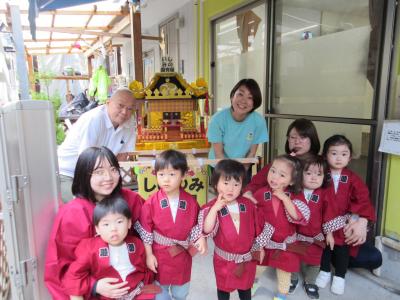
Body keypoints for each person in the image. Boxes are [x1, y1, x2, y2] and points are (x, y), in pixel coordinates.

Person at [45, 146, 144, 299]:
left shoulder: (131, 199)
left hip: (134, 286)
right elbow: (60, 265)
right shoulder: (73, 213)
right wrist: (94, 286)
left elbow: (152, 230)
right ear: (84, 175)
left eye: (113, 169)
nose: (109, 177)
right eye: (99, 172)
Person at [135, 150, 207, 300]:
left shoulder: (191, 202)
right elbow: (146, 232)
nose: (166, 180)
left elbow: (195, 226)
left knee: (181, 293)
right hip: (160, 255)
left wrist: (200, 238)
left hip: (182, 256)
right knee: (161, 294)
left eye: (172, 174)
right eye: (161, 174)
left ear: (183, 174)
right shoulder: (151, 203)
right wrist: (148, 255)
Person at [64, 195, 159, 300]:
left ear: (129, 223)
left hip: (139, 291)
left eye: (119, 222)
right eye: (106, 224)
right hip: (108, 296)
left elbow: (146, 272)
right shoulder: (90, 248)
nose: (113, 228)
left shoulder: (137, 244)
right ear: (97, 229)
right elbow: (74, 275)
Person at [315, 135, 376, 295]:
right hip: (323, 222)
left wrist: (358, 218)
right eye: (333, 153)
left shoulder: (353, 179)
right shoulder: (321, 175)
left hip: (343, 223)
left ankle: (340, 276)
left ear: (350, 157)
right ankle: (324, 270)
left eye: (344, 154)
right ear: (325, 155)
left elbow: (363, 198)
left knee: (342, 249)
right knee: (324, 248)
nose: (338, 158)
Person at [201, 159, 266, 300]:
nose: (231, 189)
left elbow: (257, 229)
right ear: (216, 183)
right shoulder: (211, 207)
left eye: (236, 184)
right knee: (223, 289)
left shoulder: (248, 205)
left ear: (242, 185)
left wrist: (260, 247)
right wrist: (214, 210)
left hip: (246, 259)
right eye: (226, 183)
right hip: (224, 261)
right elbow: (206, 229)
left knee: (245, 289)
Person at [58, 88, 137, 203]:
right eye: (120, 105)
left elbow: (121, 157)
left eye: (130, 108)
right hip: (68, 173)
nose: (125, 112)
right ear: (108, 102)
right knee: (83, 208)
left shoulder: (129, 123)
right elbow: (86, 160)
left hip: (97, 175)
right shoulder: (94, 119)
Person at [253, 155, 310, 300]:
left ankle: (282, 295)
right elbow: (254, 214)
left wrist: (285, 199)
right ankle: (252, 283)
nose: (274, 177)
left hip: (285, 243)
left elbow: (298, 217)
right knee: (257, 264)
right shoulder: (261, 193)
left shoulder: (295, 197)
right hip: (265, 241)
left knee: (284, 270)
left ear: (291, 181)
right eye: (273, 171)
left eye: (282, 175)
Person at [289, 155, 344, 299]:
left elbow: (329, 214)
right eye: (308, 173)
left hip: (315, 237)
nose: (314, 178)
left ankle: (310, 282)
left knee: (314, 262)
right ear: (300, 175)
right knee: (292, 257)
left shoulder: (324, 194)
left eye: (318, 174)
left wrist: (330, 234)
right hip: (295, 236)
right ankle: (292, 279)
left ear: (324, 177)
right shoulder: (294, 193)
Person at [243, 118, 320, 202]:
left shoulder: (320, 164)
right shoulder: (282, 161)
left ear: (312, 139)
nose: (297, 141)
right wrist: (249, 192)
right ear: (288, 140)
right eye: (293, 137)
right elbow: (255, 183)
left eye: (303, 137)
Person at [207, 79, 269, 182]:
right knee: (223, 195)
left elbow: (251, 153)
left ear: (255, 103)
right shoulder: (217, 119)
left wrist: (242, 173)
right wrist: (229, 177)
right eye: (240, 94)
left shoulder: (258, 121)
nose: (244, 101)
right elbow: (219, 153)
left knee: (242, 195)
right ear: (232, 97)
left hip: (243, 166)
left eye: (250, 97)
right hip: (219, 165)